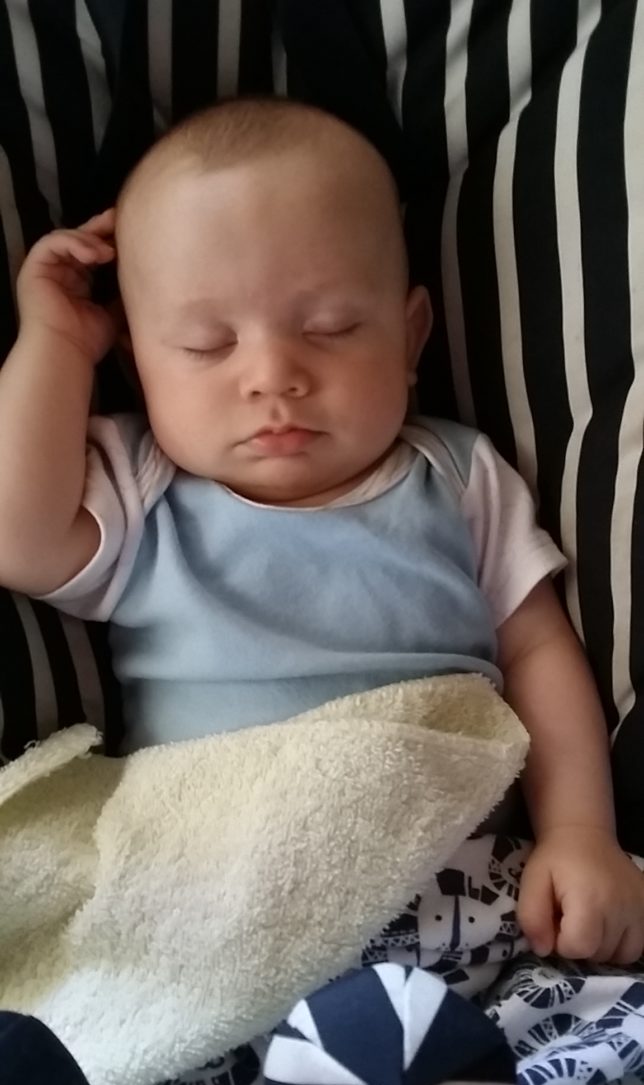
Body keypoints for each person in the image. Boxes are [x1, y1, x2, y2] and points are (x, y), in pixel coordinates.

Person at [0, 97, 642, 965]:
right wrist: (54, 343)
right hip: (217, 893)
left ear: (410, 337)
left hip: (453, 894)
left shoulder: (456, 475)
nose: (273, 375)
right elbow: (18, 540)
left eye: (330, 329)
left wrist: (579, 832)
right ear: (136, 362)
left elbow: (536, 650)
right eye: (206, 344)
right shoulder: (142, 486)